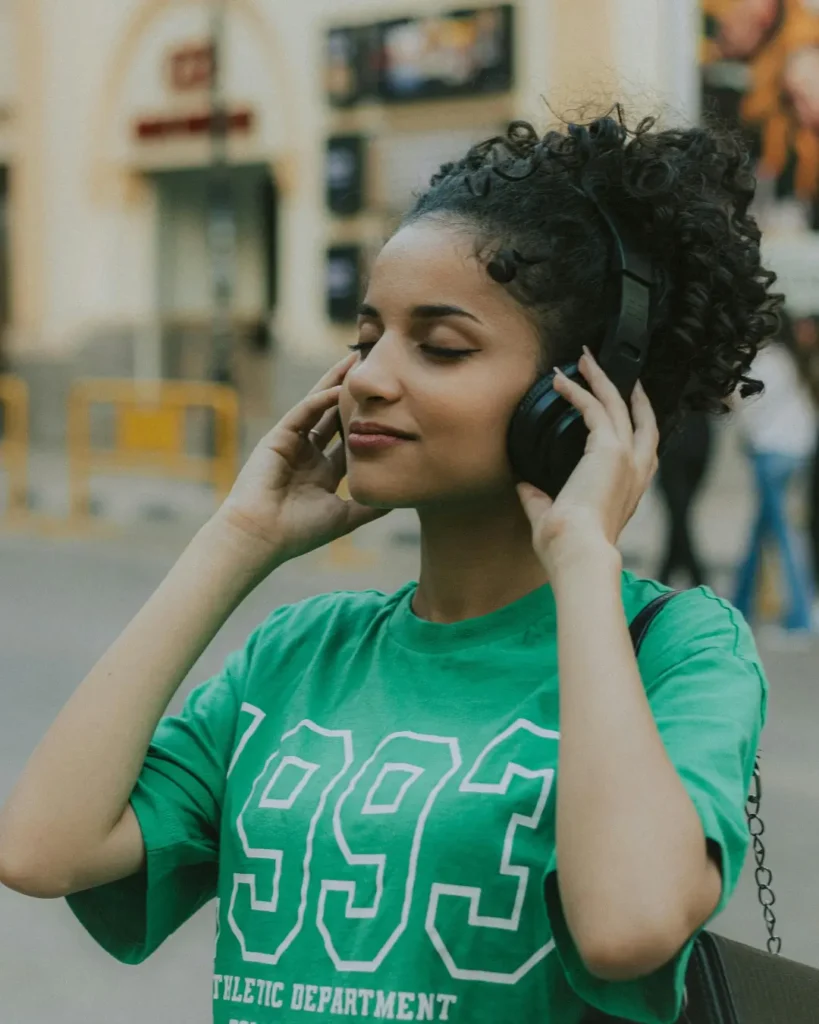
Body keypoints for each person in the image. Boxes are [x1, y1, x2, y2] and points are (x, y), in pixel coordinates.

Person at [0, 112, 778, 1024]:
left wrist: (580, 561)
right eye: (367, 337)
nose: (367, 377)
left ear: (574, 399)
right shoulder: (302, 649)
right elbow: (42, 849)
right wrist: (239, 537)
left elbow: (626, 926)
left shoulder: (676, 650)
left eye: (440, 347)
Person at [732, 312, 818, 634]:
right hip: (793, 451)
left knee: (782, 533)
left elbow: (748, 406)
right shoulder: (789, 359)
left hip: (771, 452)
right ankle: (740, 603)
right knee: (762, 531)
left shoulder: (768, 361)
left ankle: (801, 616)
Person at [655, 410, 715, 589]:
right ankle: (693, 579)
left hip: (688, 440)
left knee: (680, 516)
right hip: (685, 440)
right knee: (679, 516)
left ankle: (667, 580)